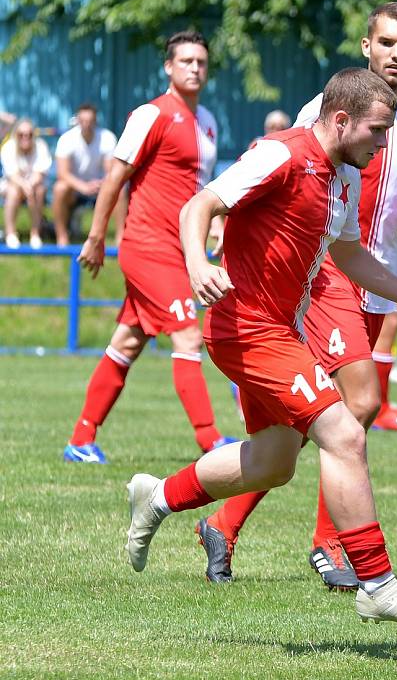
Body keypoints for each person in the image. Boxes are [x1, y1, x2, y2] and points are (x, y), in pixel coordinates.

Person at [124, 67, 397, 630]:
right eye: (377, 131)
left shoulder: (344, 176)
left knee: (273, 462)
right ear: (340, 120)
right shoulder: (280, 155)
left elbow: (351, 257)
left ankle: (157, 497)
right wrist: (197, 263)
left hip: (283, 327)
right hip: (245, 327)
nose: (383, 144)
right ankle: (377, 583)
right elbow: (198, 207)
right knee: (344, 432)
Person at [194, 2, 397, 590]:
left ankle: (224, 524)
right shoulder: (331, 107)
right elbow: (281, 170)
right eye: (386, 42)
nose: (396, 53)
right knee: (355, 405)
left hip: (380, 273)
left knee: (310, 424)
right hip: (330, 271)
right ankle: (331, 547)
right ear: (366, 46)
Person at [63, 31, 234, 464]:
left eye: (201, 61)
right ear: (168, 67)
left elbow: (200, 190)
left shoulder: (208, 122)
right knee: (188, 335)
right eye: (186, 61)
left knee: (128, 342)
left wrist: (215, 223)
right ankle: (211, 441)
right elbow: (115, 177)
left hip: (180, 249)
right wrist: (97, 236)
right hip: (147, 246)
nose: (194, 68)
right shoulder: (151, 114)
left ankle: (80, 439)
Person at [52, 103, 127, 247]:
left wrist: (100, 184)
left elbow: (111, 171)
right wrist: (83, 186)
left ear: (95, 121)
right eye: (83, 121)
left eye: (90, 121)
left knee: (121, 189)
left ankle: (120, 238)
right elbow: (62, 173)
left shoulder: (107, 138)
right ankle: (61, 237)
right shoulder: (67, 139)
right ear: (77, 121)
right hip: (74, 188)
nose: (86, 124)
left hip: (100, 186)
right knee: (59, 188)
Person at [1, 118, 52, 249]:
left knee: (39, 191)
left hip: (34, 187)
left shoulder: (41, 146)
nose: (25, 137)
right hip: (13, 185)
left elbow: (39, 174)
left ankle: (35, 233)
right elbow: (12, 176)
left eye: (29, 134)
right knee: (13, 191)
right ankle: (10, 233)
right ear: (16, 135)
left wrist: (28, 186)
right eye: (21, 134)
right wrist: (26, 186)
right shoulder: (9, 147)